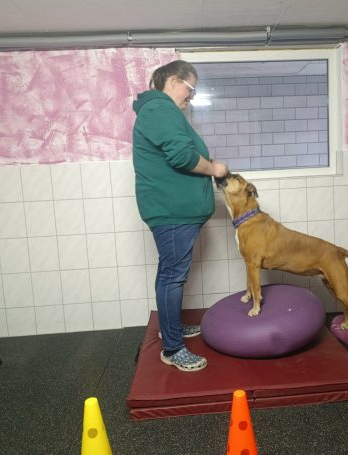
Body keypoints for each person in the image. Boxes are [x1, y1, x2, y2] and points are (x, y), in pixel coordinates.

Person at [132, 60, 228, 372]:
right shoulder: (159, 109)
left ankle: (170, 327)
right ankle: (172, 348)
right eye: (190, 89)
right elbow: (182, 156)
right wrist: (214, 169)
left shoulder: (161, 111)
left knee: (171, 273)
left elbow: (178, 153)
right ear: (173, 81)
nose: (191, 96)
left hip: (176, 210)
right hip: (172, 212)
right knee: (172, 276)